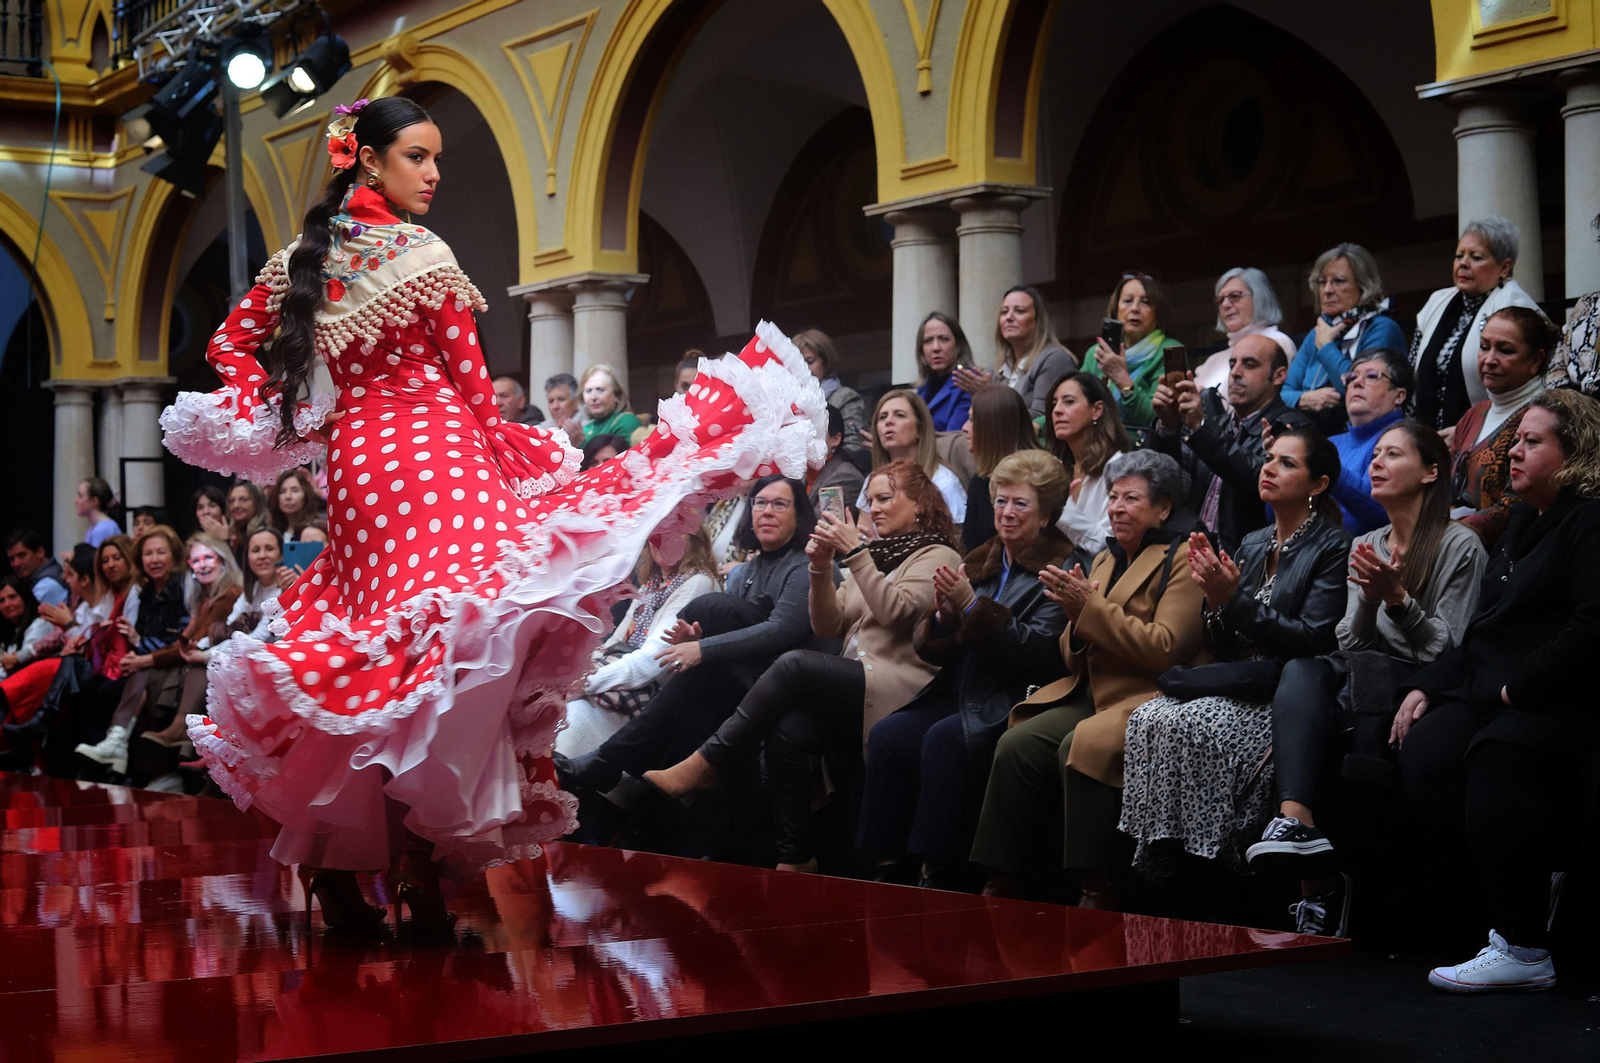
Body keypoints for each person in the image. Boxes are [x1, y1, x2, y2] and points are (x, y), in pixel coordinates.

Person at [155, 96, 825, 932]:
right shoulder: (420, 251)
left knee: (385, 662)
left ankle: (336, 867)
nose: (433, 174)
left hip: (360, 466)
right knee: (461, 649)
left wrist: (306, 413)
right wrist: (518, 456)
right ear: (369, 161)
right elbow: (469, 380)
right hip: (438, 457)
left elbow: (227, 346)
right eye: (417, 157)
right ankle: (412, 865)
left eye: (436, 158)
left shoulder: (305, 258)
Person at [644, 462, 963, 871]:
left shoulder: (937, 554)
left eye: (886, 498)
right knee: (788, 727)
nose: (875, 508)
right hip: (858, 676)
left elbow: (896, 611)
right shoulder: (877, 554)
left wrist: (855, 554)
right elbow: (828, 623)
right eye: (872, 500)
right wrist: (819, 569)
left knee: (793, 664)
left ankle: (706, 763)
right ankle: (796, 856)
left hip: (899, 685)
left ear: (920, 505)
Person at [1394, 390, 1600, 993]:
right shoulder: (1524, 525)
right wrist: (1427, 686)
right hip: (1494, 687)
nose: (1513, 451)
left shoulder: (1588, 521)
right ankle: (1502, 905)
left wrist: (1517, 689)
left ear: (1576, 453)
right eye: (1515, 439)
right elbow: (1482, 630)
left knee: (1497, 756)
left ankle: (1526, 948)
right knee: (1426, 755)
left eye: (1533, 441)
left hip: (1557, 696)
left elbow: (1593, 626)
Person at [1254, 420, 1485, 935]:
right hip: (1364, 671)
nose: (1375, 463)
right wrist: (1372, 602)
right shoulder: (1370, 540)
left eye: (1392, 455)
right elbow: (1350, 642)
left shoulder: (1460, 545)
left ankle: (1325, 884)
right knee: (1301, 669)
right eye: (1375, 453)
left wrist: (1398, 601)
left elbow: (1446, 649)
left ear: (1431, 471)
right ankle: (1297, 823)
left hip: (1420, 682)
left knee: (1323, 687)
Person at [972, 450, 1204, 902]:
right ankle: (998, 879)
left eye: (1131, 498)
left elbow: (1166, 648)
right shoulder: (1104, 559)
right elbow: (1071, 656)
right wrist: (1074, 618)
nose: (1116, 507)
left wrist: (1089, 609)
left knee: (1082, 744)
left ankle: (1095, 883)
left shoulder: (1183, 558)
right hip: (1092, 689)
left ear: (1163, 508)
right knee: (1014, 744)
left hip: (1150, 695)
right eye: (1113, 497)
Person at [1119, 427, 1350, 876]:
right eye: (1268, 458)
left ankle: (1212, 857)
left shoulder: (1332, 544)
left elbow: (1314, 639)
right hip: (1241, 677)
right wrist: (1214, 602)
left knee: (1193, 724)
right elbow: (1222, 644)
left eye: (1288, 462)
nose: (1269, 467)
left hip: (1286, 689)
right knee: (1149, 716)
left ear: (1317, 485)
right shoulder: (1253, 541)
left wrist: (1234, 601)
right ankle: (1162, 849)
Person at [857, 450, 1072, 889]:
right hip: (963, 690)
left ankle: (937, 871)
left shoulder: (1061, 566)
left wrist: (972, 606)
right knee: (889, 735)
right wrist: (942, 619)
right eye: (1000, 502)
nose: (1007, 513)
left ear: (1047, 514)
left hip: (1015, 699)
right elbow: (939, 649)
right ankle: (886, 866)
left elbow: (1040, 652)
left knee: (943, 738)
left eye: (1020, 504)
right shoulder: (981, 560)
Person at [556, 476, 823, 799]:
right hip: (740, 679)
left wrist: (703, 646)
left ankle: (610, 764)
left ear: (800, 515)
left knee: (710, 610)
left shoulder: (804, 564)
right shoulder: (743, 572)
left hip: (788, 683)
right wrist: (695, 637)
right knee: (699, 699)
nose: (767, 511)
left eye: (779, 504)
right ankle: (630, 788)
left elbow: (783, 630)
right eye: (760, 503)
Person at [74, 533, 243, 775]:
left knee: (138, 676)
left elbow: (189, 644)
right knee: (100, 684)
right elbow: (186, 640)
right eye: (196, 560)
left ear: (223, 560)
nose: (202, 564)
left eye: (209, 557)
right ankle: (120, 751)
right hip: (184, 662)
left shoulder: (224, 595)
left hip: (207, 666)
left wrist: (144, 655)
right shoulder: (198, 596)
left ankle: (124, 747)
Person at [559, 529, 720, 758]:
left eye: (673, 532)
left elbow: (653, 662)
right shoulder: (651, 586)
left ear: (694, 539)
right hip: (621, 678)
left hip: (648, 695)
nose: (662, 541)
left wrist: (583, 683)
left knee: (566, 723)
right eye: (657, 534)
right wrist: (572, 676)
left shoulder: (699, 582)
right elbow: (614, 643)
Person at [1151, 334, 1298, 553]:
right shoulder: (1215, 426)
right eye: (1232, 364)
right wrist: (1168, 426)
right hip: (1188, 556)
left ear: (1278, 376)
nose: (1235, 373)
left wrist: (1201, 427)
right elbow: (1169, 482)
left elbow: (1256, 477)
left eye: (1249, 364)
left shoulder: (1291, 428)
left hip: (1247, 560)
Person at [1410, 218, 1541, 431]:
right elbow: (1413, 363)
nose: (1463, 263)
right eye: (1459, 255)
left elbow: (1531, 386)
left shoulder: (1517, 308)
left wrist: (1469, 433)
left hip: (1488, 433)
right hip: (1427, 435)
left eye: (1476, 257)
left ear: (1504, 267)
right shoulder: (1438, 301)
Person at [1448, 306, 1553, 548]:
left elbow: (1521, 504)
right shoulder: (1474, 414)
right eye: (1484, 347)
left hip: (1512, 553)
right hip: (1455, 547)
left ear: (1536, 360)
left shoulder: (1544, 416)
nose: (1489, 360)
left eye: (1505, 350)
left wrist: (1447, 530)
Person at [1283, 243, 1406, 425]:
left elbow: (1361, 389)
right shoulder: (1317, 332)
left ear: (1364, 286)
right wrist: (1304, 399)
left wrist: (1326, 348)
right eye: (1322, 282)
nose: (1327, 290)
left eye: (1339, 281)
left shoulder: (1381, 328)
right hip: (1312, 433)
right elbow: (1284, 393)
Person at [952, 286, 1076, 420]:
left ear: (1038, 320)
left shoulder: (1054, 359)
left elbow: (1043, 419)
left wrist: (993, 397)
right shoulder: (994, 368)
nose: (1009, 317)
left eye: (1019, 311)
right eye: (1004, 312)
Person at [1326, 348, 1412, 534]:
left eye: (1372, 376)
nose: (1357, 382)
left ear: (1399, 396)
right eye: (1351, 378)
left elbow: (1386, 513)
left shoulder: (1408, 440)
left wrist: (1332, 470)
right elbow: (1276, 517)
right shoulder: (1330, 443)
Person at [1081, 272, 1183, 428]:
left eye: (1146, 302)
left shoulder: (1171, 351)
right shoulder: (1096, 353)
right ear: (1115, 310)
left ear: (1158, 313)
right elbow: (1073, 403)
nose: (1135, 308)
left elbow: (1161, 419)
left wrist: (1122, 378)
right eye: (1128, 301)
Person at [1045, 372, 1132, 553]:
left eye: (1068, 402)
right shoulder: (1058, 467)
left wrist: (1061, 507)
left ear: (1097, 410)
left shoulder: (1119, 468)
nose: (1057, 410)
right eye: (1054, 404)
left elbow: (1108, 546)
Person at [858, 390, 967, 525]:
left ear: (920, 429)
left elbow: (956, 540)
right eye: (882, 417)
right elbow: (863, 533)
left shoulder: (943, 482)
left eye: (900, 415)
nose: (889, 421)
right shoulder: (872, 480)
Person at [1191, 267, 1300, 394]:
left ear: (1259, 298)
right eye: (1220, 300)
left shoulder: (1277, 342)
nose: (1225, 305)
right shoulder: (1213, 360)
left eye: (1235, 296)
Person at [960, 386, 1041, 554]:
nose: (964, 427)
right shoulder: (980, 481)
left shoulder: (1040, 478)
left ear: (993, 428)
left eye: (973, 420)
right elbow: (971, 548)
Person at [795, 329, 868, 462]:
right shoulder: (784, 403)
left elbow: (853, 449)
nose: (803, 369)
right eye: (797, 364)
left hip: (831, 476)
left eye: (809, 362)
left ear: (825, 363)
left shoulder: (845, 398)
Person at [913, 312, 974, 433]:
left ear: (958, 346)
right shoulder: (923, 389)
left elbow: (954, 436)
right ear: (922, 350)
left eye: (944, 339)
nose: (935, 348)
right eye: (928, 341)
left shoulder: (969, 381)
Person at [807, 406, 865, 517]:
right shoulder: (802, 473)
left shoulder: (845, 477)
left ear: (835, 439)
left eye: (814, 433)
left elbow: (821, 525)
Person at [0, 577, 52, 680]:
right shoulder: (10, 631)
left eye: (12, 597)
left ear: (24, 597)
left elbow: (25, 660)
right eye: (2, 600)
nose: (7, 604)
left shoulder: (41, 624)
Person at [578, 364, 643, 442]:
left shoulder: (626, 421)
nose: (593, 397)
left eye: (600, 390)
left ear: (616, 395)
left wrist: (581, 444)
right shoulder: (585, 430)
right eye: (589, 391)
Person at [5, 530, 68, 606]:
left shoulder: (46, 586)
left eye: (21, 555)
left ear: (40, 552)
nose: (16, 564)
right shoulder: (36, 580)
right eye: (12, 559)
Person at [267, 467, 325, 541]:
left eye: (295, 491)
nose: (288, 496)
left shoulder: (316, 530)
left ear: (306, 495)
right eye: (282, 491)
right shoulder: (272, 531)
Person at [225, 482, 270, 561]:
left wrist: (225, 541)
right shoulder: (239, 534)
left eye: (243, 500)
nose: (236, 505)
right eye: (231, 501)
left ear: (257, 503)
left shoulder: (265, 534)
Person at [77, 478, 121, 547]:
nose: (76, 501)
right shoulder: (95, 527)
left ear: (94, 501)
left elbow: (95, 557)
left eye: (80, 496)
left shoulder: (102, 530)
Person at [542, 372, 584, 439]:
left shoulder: (589, 428)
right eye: (551, 401)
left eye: (561, 399)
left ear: (576, 402)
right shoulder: (542, 429)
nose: (555, 406)